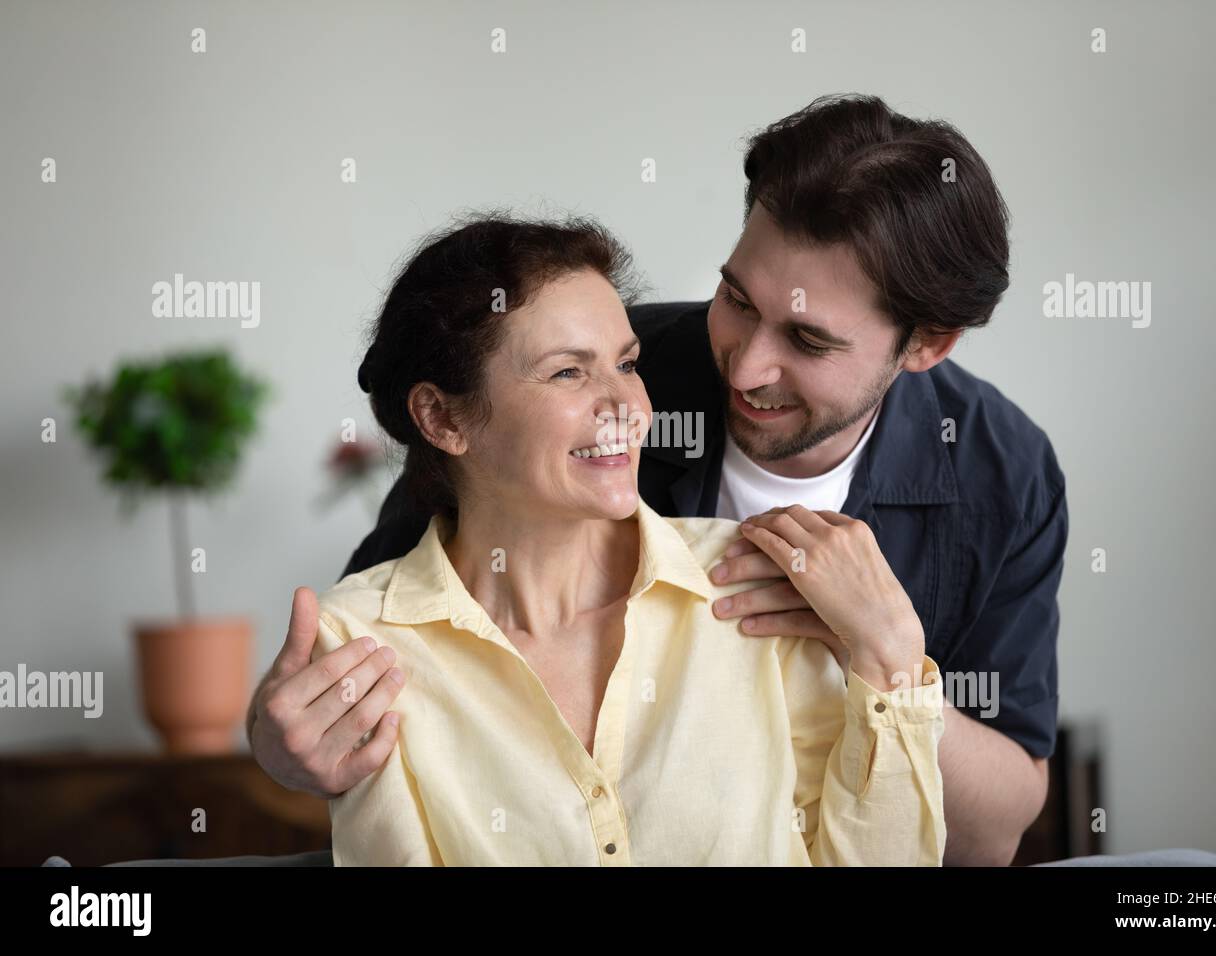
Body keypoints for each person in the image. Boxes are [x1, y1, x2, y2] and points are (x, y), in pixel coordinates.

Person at [248, 93, 1067, 865]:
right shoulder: (606, 351)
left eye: (808, 342)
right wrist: (279, 740)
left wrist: (884, 652)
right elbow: (390, 629)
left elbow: (991, 835)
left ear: (925, 347)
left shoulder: (1003, 472)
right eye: (736, 300)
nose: (745, 366)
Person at [311, 212, 946, 865]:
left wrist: (894, 657)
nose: (627, 407)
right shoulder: (358, 646)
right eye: (568, 373)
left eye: (628, 364)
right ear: (442, 417)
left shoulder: (753, 579)